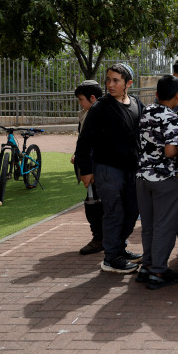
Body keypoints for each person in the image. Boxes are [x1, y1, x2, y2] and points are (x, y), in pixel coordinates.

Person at [75, 63, 143, 274]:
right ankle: (111, 257)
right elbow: (84, 142)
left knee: (132, 211)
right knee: (114, 212)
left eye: (116, 80)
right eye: (108, 80)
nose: (110, 84)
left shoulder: (137, 104)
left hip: (131, 169)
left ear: (128, 83)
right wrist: (86, 170)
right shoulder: (101, 107)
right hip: (107, 169)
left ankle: (119, 248)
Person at [135, 74, 178, 290]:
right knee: (164, 225)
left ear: (157, 94)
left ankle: (147, 266)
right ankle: (159, 270)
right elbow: (169, 151)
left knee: (148, 225)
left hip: (142, 177)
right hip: (164, 179)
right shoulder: (171, 117)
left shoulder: (146, 111)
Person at [72, 80, 104, 255]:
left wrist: (87, 169)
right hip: (91, 166)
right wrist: (77, 156)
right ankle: (103, 236)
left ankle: (100, 238)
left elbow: (94, 145)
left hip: (97, 168)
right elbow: (83, 142)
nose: (80, 103)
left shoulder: (98, 114)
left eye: (81, 99)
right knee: (95, 201)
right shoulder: (85, 114)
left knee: (95, 203)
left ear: (92, 98)